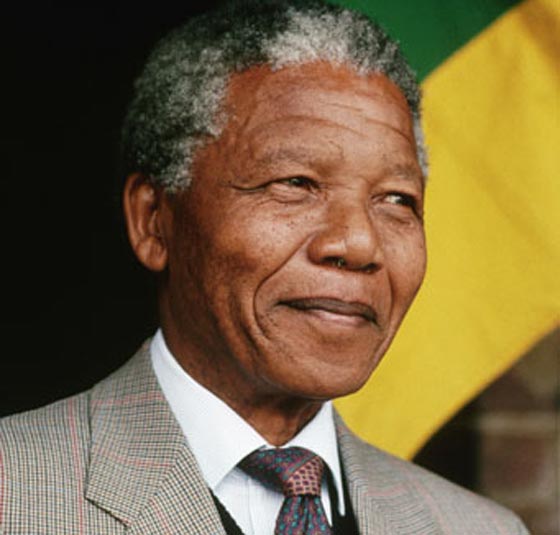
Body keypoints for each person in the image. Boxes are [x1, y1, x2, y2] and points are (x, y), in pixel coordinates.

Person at [0, 1, 527, 533]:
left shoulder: (482, 528)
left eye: (396, 199)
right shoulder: (14, 493)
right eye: (295, 183)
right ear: (153, 220)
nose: (360, 244)